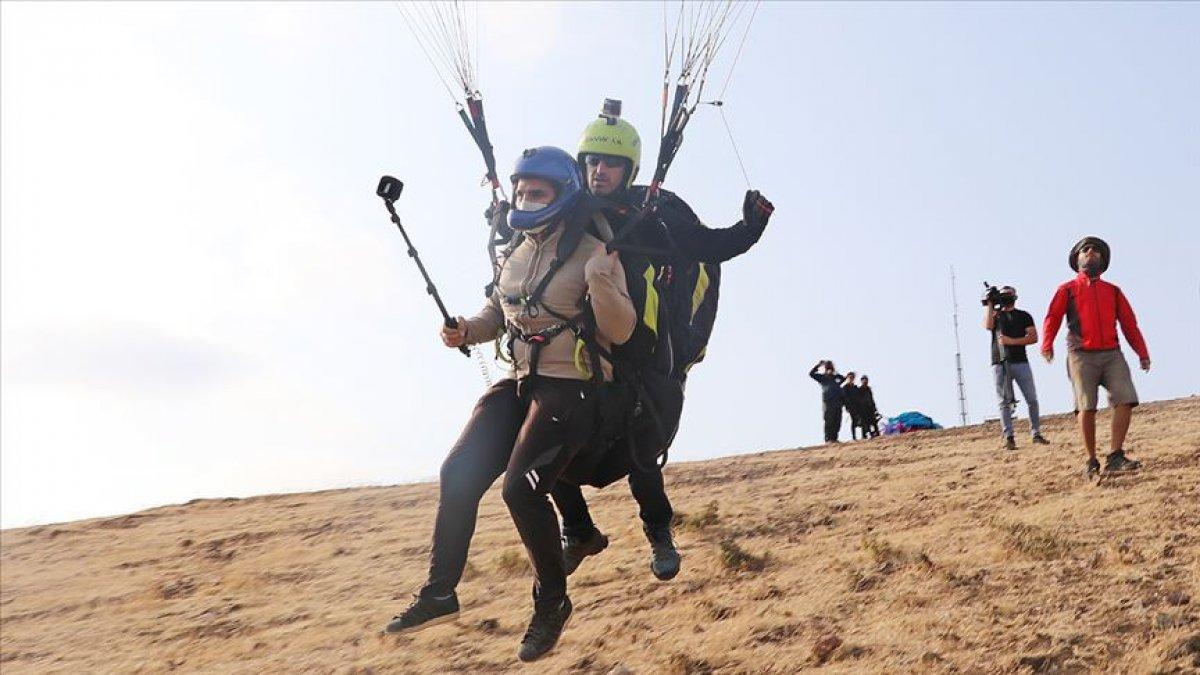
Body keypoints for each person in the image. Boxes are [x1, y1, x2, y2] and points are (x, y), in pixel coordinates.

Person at [385, 146, 636, 663]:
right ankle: (440, 591)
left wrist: (601, 283)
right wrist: (465, 332)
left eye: (535, 193)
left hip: (574, 387)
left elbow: (620, 330)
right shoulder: (516, 252)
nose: (524, 200)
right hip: (522, 382)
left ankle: (552, 601)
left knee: (521, 490)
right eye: (521, 192)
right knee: (457, 472)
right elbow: (497, 313)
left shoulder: (596, 253)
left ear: (562, 196)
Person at [549, 99, 775, 582]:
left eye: (610, 163)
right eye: (591, 161)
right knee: (536, 435)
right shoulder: (567, 210)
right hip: (577, 346)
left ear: (629, 167)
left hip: (639, 346)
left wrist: (751, 227)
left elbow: (709, 246)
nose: (599, 171)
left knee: (641, 451)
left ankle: (659, 534)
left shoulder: (656, 213)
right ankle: (577, 530)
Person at [1042, 236, 1150, 478]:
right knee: (1086, 406)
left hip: (1112, 353)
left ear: (1103, 260)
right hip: (1081, 354)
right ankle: (1091, 459)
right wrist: (1046, 344)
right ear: (1077, 259)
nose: (1090, 252)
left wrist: (1142, 352)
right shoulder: (1067, 289)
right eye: (1085, 250)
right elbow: (1053, 317)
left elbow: (1129, 324)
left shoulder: (1113, 291)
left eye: (1096, 251)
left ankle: (1115, 455)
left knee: (1126, 399)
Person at [983, 285, 1050, 450]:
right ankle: (1009, 436)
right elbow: (987, 325)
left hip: (1020, 361)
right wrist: (990, 303)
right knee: (1003, 401)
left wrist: (1011, 341)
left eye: (1008, 295)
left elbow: (1033, 337)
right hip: (999, 362)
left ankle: (1035, 433)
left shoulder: (1024, 316)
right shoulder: (996, 316)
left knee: (1032, 399)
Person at [809, 360, 846, 443]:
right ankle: (828, 439)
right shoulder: (822, 378)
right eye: (828, 368)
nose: (829, 370)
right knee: (829, 420)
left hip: (838, 402)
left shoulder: (836, 378)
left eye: (831, 368)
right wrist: (818, 365)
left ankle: (834, 438)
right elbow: (811, 374)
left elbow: (843, 378)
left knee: (837, 420)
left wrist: (835, 373)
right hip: (828, 403)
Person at [842, 372, 866, 440]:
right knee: (854, 421)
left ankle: (864, 436)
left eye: (852, 377)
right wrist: (847, 407)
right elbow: (844, 399)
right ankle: (854, 437)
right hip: (851, 407)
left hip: (858, 406)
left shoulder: (855, 387)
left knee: (862, 420)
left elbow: (859, 397)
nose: (851, 379)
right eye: (850, 377)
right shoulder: (845, 387)